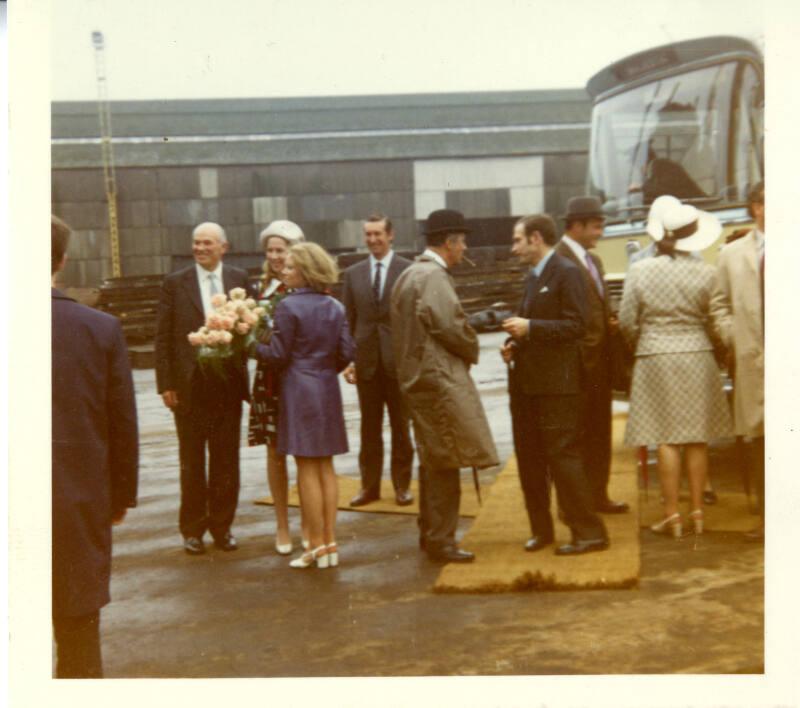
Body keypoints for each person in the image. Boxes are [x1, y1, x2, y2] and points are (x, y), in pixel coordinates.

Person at [51, 215, 138, 678]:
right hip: (76, 505)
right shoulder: (100, 329)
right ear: (63, 260)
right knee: (79, 640)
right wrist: (120, 496)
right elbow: (122, 422)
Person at [619, 198, 732, 538]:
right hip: (697, 354)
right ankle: (697, 511)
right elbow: (715, 322)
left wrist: (643, 341)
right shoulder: (707, 273)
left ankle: (671, 515)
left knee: (666, 439)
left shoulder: (639, 270)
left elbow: (626, 321)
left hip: (655, 355)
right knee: (696, 438)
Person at [391, 209, 498, 563]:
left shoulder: (408, 274)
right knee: (447, 461)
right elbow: (452, 327)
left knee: (434, 459)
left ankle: (431, 533)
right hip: (438, 381)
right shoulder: (433, 276)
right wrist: (471, 345)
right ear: (449, 242)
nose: (464, 248)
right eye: (462, 241)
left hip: (418, 380)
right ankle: (442, 539)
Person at [501, 214, 609, 556]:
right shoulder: (534, 277)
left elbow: (577, 326)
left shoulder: (567, 273)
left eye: (518, 240)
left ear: (536, 238)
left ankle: (589, 532)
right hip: (529, 383)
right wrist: (515, 345)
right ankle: (541, 531)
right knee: (530, 459)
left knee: (563, 456)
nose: (513, 247)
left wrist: (531, 328)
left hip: (559, 385)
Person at [249, 242, 355, 569]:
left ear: (306, 271)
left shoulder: (288, 306)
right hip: (326, 387)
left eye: (291, 266)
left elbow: (277, 354)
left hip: (298, 387)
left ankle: (316, 547)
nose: (284, 269)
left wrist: (250, 343)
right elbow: (346, 352)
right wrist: (323, 370)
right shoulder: (335, 306)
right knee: (326, 468)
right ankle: (330, 543)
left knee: (307, 468)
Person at [155, 222, 250, 555]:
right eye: (196, 243)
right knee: (192, 461)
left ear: (223, 247)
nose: (200, 248)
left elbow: (248, 329)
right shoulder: (174, 283)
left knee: (226, 461)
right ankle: (192, 529)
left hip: (226, 385)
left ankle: (222, 528)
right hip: (189, 387)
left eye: (207, 243)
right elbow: (163, 336)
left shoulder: (239, 280)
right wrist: (166, 383)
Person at [555, 196, 629, 514]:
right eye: (597, 226)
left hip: (599, 363)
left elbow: (596, 303)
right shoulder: (557, 260)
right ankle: (578, 501)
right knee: (577, 436)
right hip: (575, 366)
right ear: (577, 225)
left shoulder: (593, 261)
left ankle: (598, 494)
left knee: (600, 431)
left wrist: (609, 319)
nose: (601, 232)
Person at [342, 214, 415, 508]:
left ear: (390, 235)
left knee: (401, 426)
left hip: (398, 363)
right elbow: (348, 320)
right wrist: (349, 360)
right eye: (368, 234)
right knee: (369, 429)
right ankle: (369, 487)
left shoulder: (408, 270)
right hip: (366, 362)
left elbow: (412, 320)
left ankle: (402, 487)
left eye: (377, 234)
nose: (372, 240)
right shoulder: (354, 274)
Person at [248, 220, 308, 554]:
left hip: (294, 376)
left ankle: (308, 524)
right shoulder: (261, 287)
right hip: (268, 376)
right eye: (270, 250)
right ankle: (282, 525)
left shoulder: (303, 284)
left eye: (280, 250)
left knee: (302, 452)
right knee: (274, 453)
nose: (274, 256)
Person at [711, 182, 765, 541]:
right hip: (753, 359)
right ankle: (769, 519)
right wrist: (734, 335)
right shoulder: (732, 255)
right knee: (762, 439)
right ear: (755, 208)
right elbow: (718, 304)